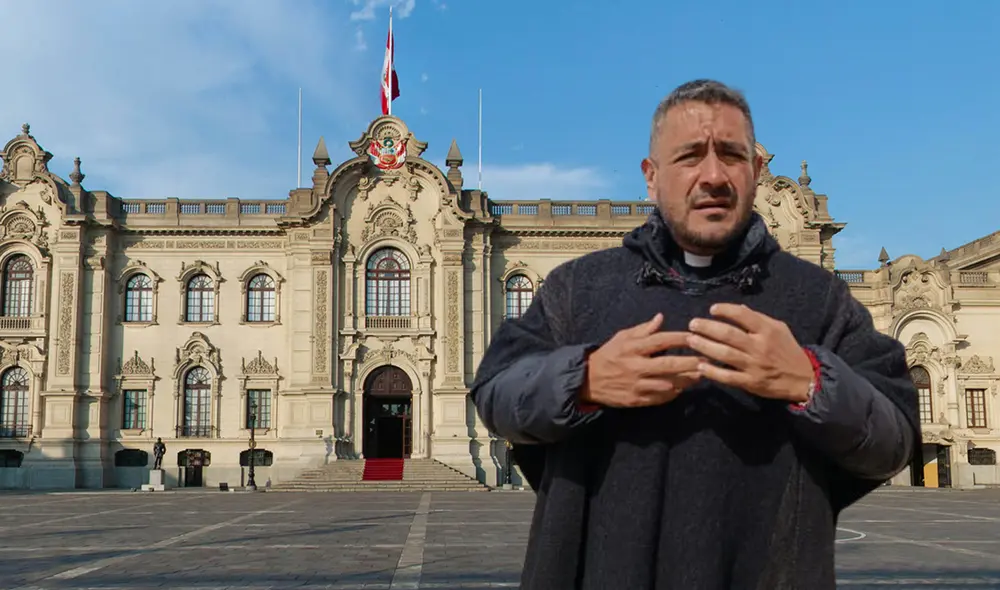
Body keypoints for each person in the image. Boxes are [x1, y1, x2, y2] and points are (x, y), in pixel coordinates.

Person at [471, 79, 920, 590]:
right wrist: (583, 379)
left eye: (731, 155)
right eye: (689, 156)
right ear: (651, 177)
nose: (712, 175)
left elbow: (895, 440)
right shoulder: (579, 288)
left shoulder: (819, 300)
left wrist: (811, 382)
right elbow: (495, 392)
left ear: (754, 172)